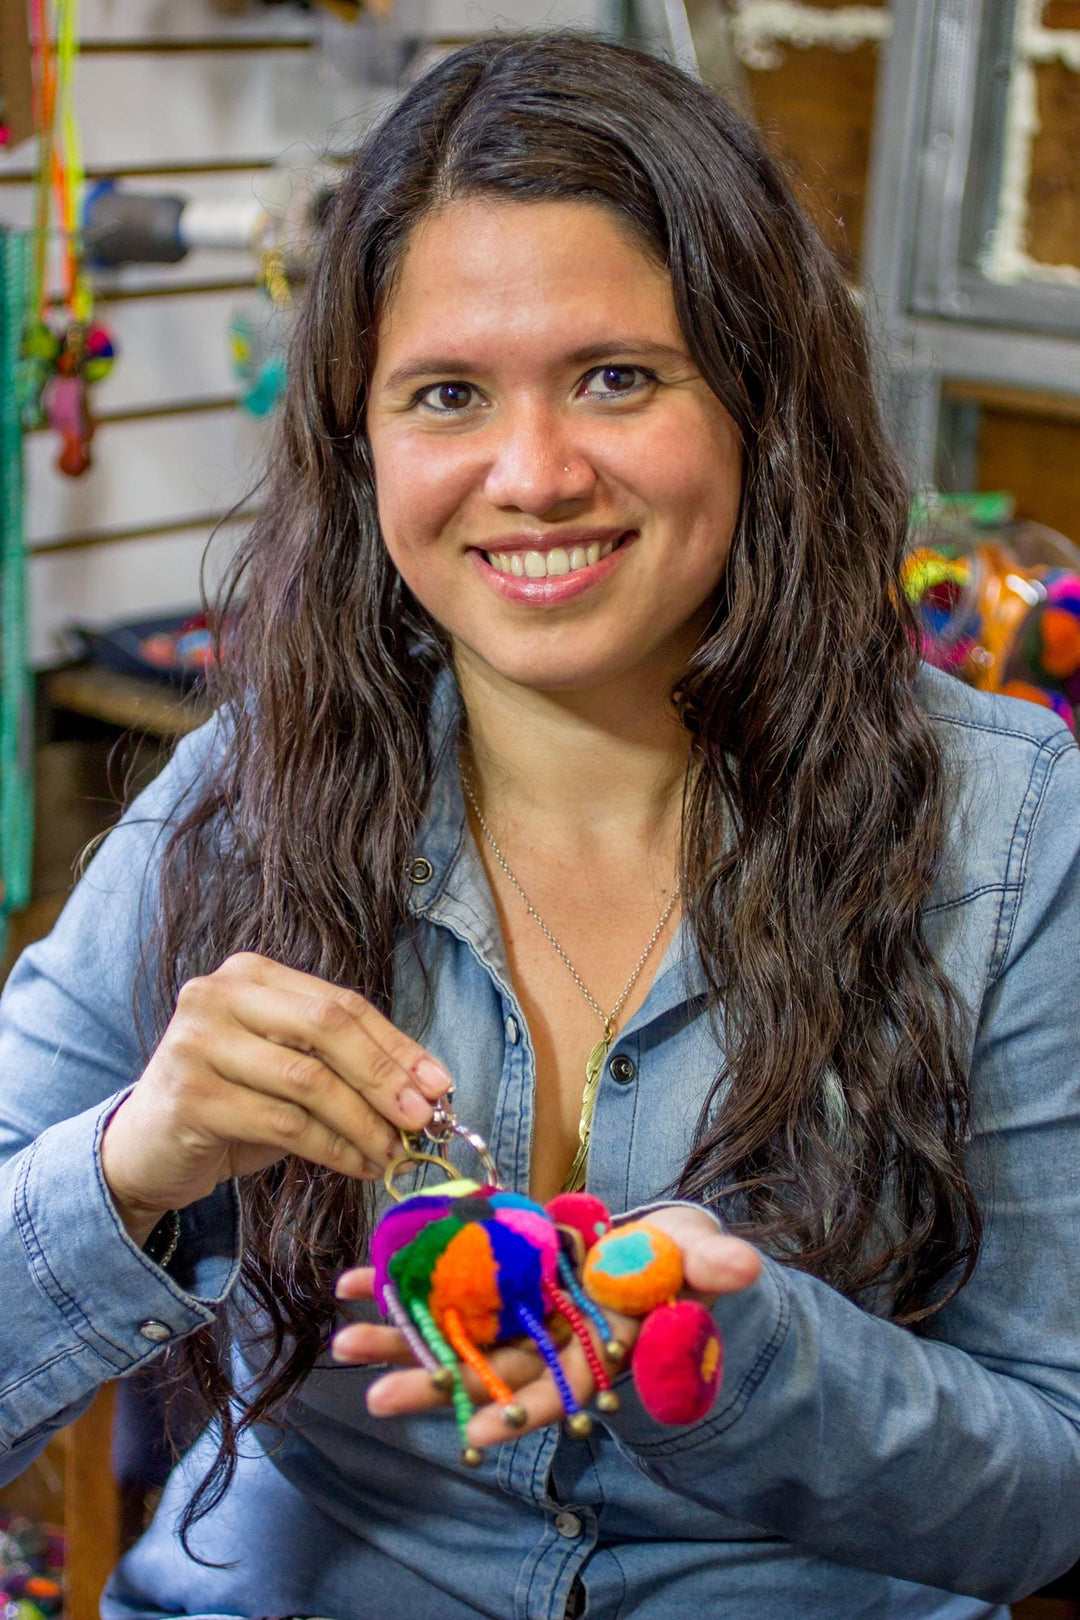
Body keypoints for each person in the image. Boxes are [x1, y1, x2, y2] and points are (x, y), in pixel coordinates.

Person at [2, 30, 1080, 1620]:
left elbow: (1049, 1495)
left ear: (756, 402)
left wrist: (751, 1363)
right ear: (360, 445)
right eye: (448, 393)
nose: (535, 473)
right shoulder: (242, 800)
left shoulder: (1010, 828)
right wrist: (131, 1167)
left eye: (617, 378)